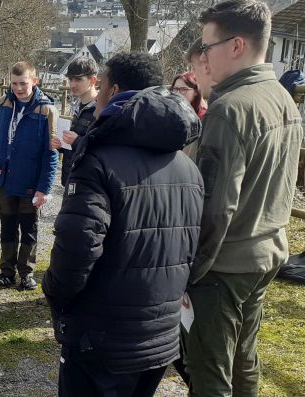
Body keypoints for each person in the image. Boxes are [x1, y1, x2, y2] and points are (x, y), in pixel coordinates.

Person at [41, 52, 204, 397]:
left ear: (113, 91)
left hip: (102, 339)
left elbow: (77, 246)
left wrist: (54, 291)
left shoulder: (98, 160)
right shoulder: (188, 167)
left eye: (100, 86)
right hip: (160, 336)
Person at [183, 1, 304, 396]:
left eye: (206, 47)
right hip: (267, 251)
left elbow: (215, 208)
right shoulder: (281, 96)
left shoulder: (229, 109)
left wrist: (189, 272)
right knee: (243, 361)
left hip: (224, 264)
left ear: (236, 46)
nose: (202, 58)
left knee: (210, 370)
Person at [0, 61, 59, 291]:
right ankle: (6, 272)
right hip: (5, 180)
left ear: (34, 81)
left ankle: (26, 272)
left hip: (30, 183)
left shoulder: (47, 111)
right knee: (6, 227)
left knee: (29, 228)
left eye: (23, 83)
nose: (18, 88)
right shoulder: (4, 103)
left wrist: (44, 188)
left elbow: (51, 153)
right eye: (14, 83)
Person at [51, 58, 98, 187]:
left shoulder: (102, 109)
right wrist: (61, 145)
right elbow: (75, 144)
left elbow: (103, 149)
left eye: (78, 79)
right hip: (70, 180)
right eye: (70, 79)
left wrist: (76, 141)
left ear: (92, 80)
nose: (72, 84)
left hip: (89, 183)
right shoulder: (76, 106)